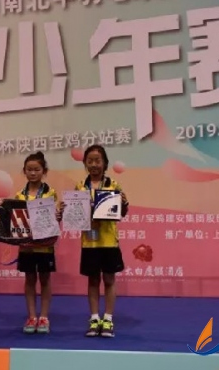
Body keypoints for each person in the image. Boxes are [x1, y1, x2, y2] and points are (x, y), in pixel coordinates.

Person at [58, 145, 128, 338]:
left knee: (109, 280)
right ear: (85, 163)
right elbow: (75, 215)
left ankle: (108, 318)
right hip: (89, 242)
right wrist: (65, 209)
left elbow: (122, 212)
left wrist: (123, 203)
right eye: (90, 161)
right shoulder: (80, 187)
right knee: (93, 280)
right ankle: (95, 318)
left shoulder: (113, 185)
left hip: (109, 241)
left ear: (105, 163)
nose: (94, 164)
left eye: (98, 160)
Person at [13, 152, 58, 334]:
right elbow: (14, 220)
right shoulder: (19, 195)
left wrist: (58, 215)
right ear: (24, 171)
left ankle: (44, 316)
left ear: (44, 171)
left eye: (37, 169)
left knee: (45, 279)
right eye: (29, 170)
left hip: (45, 246)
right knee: (30, 280)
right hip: (26, 247)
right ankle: (32, 316)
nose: (33, 173)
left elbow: (53, 218)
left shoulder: (50, 193)